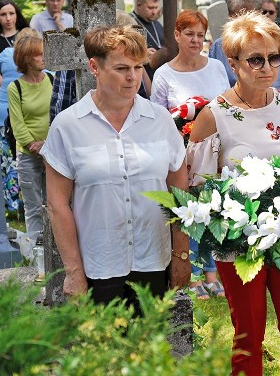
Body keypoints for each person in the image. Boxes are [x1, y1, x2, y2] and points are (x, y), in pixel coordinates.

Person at [187, 11, 280, 375]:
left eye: (274, 57)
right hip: (238, 242)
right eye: (256, 59)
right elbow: (198, 190)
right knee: (249, 334)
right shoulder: (214, 115)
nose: (267, 67)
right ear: (232, 64)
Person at [40, 25, 190, 306]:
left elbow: (179, 194)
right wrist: (74, 273)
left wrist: (181, 254)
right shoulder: (68, 126)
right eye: (122, 68)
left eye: (137, 66)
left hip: (154, 260)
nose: (133, 77)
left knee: (151, 347)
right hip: (98, 265)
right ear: (94, 67)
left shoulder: (160, 121)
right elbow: (57, 204)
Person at [150, 9, 229, 300]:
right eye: (189, 34)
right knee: (189, 210)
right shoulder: (164, 75)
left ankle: (212, 271)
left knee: (214, 206)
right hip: (181, 154)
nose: (195, 41)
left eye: (200, 35)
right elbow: (158, 118)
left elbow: (227, 105)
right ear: (176, 35)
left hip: (215, 149)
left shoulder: (217, 67)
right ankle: (194, 272)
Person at [7, 30, 51, 234]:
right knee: (33, 207)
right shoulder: (15, 88)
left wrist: (49, 145)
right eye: (39, 54)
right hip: (28, 154)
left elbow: (58, 114)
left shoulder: (51, 79)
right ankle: (36, 250)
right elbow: (18, 125)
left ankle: (56, 250)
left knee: (53, 204)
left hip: (52, 150)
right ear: (26, 59)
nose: (44, 57)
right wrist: (36, 148)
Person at [0, 29, 28, 214]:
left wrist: (2, 82)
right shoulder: (37, 59)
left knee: (8, 163)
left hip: (3, 115)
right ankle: (22, 205)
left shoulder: (6, 54)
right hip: (26, 116)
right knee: (22, 161)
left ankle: (13, 205)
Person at [0, 0, 30, 102]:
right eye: (3, 14)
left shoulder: (28, 34)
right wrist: (11, 89)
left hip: (30, 89)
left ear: (17, 15)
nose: (8, 18)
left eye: (11, 13)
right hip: (4, 92)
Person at [130, 0, 165, 79]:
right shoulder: (130, 22)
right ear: (139, 5)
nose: (154, 12)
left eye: (156, 8)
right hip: (141, 76)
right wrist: (142, 54)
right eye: (150, 8)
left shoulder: (157, 24)